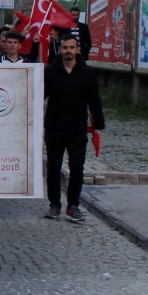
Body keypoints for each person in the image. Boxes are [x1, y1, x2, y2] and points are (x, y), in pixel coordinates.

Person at [42, 35, 105, 224]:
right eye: (65, 47)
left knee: (77, 166)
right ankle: (54, 204)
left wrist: (99, 125)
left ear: (78, 49)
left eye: (71, 47)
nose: (68, 51)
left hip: (77, 127)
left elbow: (95, 100)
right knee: (53, 167)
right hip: (54, 126)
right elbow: (40, 96)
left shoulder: (87, 73)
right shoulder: (50, 71)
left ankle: (73, 205)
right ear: (59, 49)